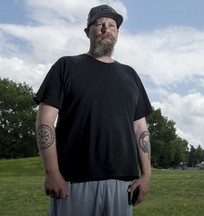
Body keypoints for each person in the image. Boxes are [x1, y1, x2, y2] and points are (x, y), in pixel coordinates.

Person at [34, 4, 153, 216]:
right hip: (73, 182)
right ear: (88, 31)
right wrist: (52, 172)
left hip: (121, 184)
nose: (106, 29)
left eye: (112, 25)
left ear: (117, 34)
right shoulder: (66, 66)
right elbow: (45, 121)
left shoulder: (130, 75)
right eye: (99, 24)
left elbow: (140, 128)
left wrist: (146, 174)